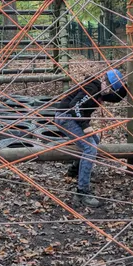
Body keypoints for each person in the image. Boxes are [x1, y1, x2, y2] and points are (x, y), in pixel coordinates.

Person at [55, 69, 127, 207]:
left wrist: (125, 86)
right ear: (104, 80)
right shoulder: (91, 88)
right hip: (66, 118)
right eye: (110, 88)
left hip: (73, 118)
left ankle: (75, 169)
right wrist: (84, 125)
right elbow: (74, 106)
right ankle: (82, 192)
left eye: (112, 89)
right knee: (90, 149)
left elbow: (116, 98)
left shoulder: (101, 88)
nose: (108, 92)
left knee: (95, 141)